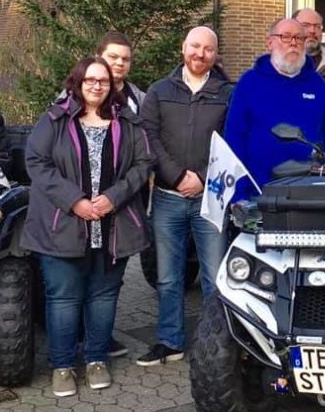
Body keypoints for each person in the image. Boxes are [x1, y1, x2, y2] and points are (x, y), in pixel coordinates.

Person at [21, 56, 154, 397]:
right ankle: (63, 366)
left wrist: (114, 197)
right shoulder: (55, 120)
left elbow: (143, 163)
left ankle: (96, 359)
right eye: (90, 80)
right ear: (77, 83)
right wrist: (74, 201)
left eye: (103, 81)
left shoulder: (127, 121)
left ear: (111, 85)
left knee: (103, 296)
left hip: (114, 226)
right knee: (64, 299)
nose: (97, 86)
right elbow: (37, 162)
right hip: (62, 225)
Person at [137, 26, 233, 366]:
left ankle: (217, 345)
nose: (200, 53)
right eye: (195, 46)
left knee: (214, 277)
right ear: (183, 48)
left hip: (211, 198)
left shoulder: (227, 93)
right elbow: (148, 137)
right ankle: (170, 341)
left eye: (208, 49)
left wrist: (203, 178)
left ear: (215, 54)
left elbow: (231, 142)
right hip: (167, 197)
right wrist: (177, 176)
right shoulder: (160, 91)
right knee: (168, 276)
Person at [224, 18, 325, 195]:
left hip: (310, 192)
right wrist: (238, 194)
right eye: (285, 37)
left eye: (299, 38)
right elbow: (234, 140)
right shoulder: (249, 83)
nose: (293, 43)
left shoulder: (317, 84)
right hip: (260, 193)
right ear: (270, 43)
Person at [96, 31, 146, 114]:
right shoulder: (73, 97)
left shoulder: (142, 101)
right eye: (113, 57)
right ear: (98, 57)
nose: (120, 63)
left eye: (125, 59)